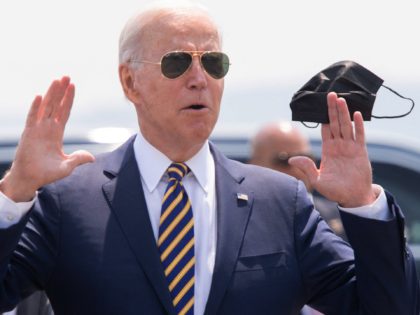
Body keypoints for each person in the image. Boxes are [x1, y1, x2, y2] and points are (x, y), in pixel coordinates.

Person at [0, 2, 418, 315]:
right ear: (130, 82)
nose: (199, 79)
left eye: (213, 63)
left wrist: (362, 204)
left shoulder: (281, 202)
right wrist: (15, 192)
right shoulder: (68, 201)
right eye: (177, 62)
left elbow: (387, 307)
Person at [249, 121, 346, 240]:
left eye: (305, 158)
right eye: (283, 161)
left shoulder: (344, 218)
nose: (297, 169)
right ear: (254, 165)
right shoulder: (235, 220)